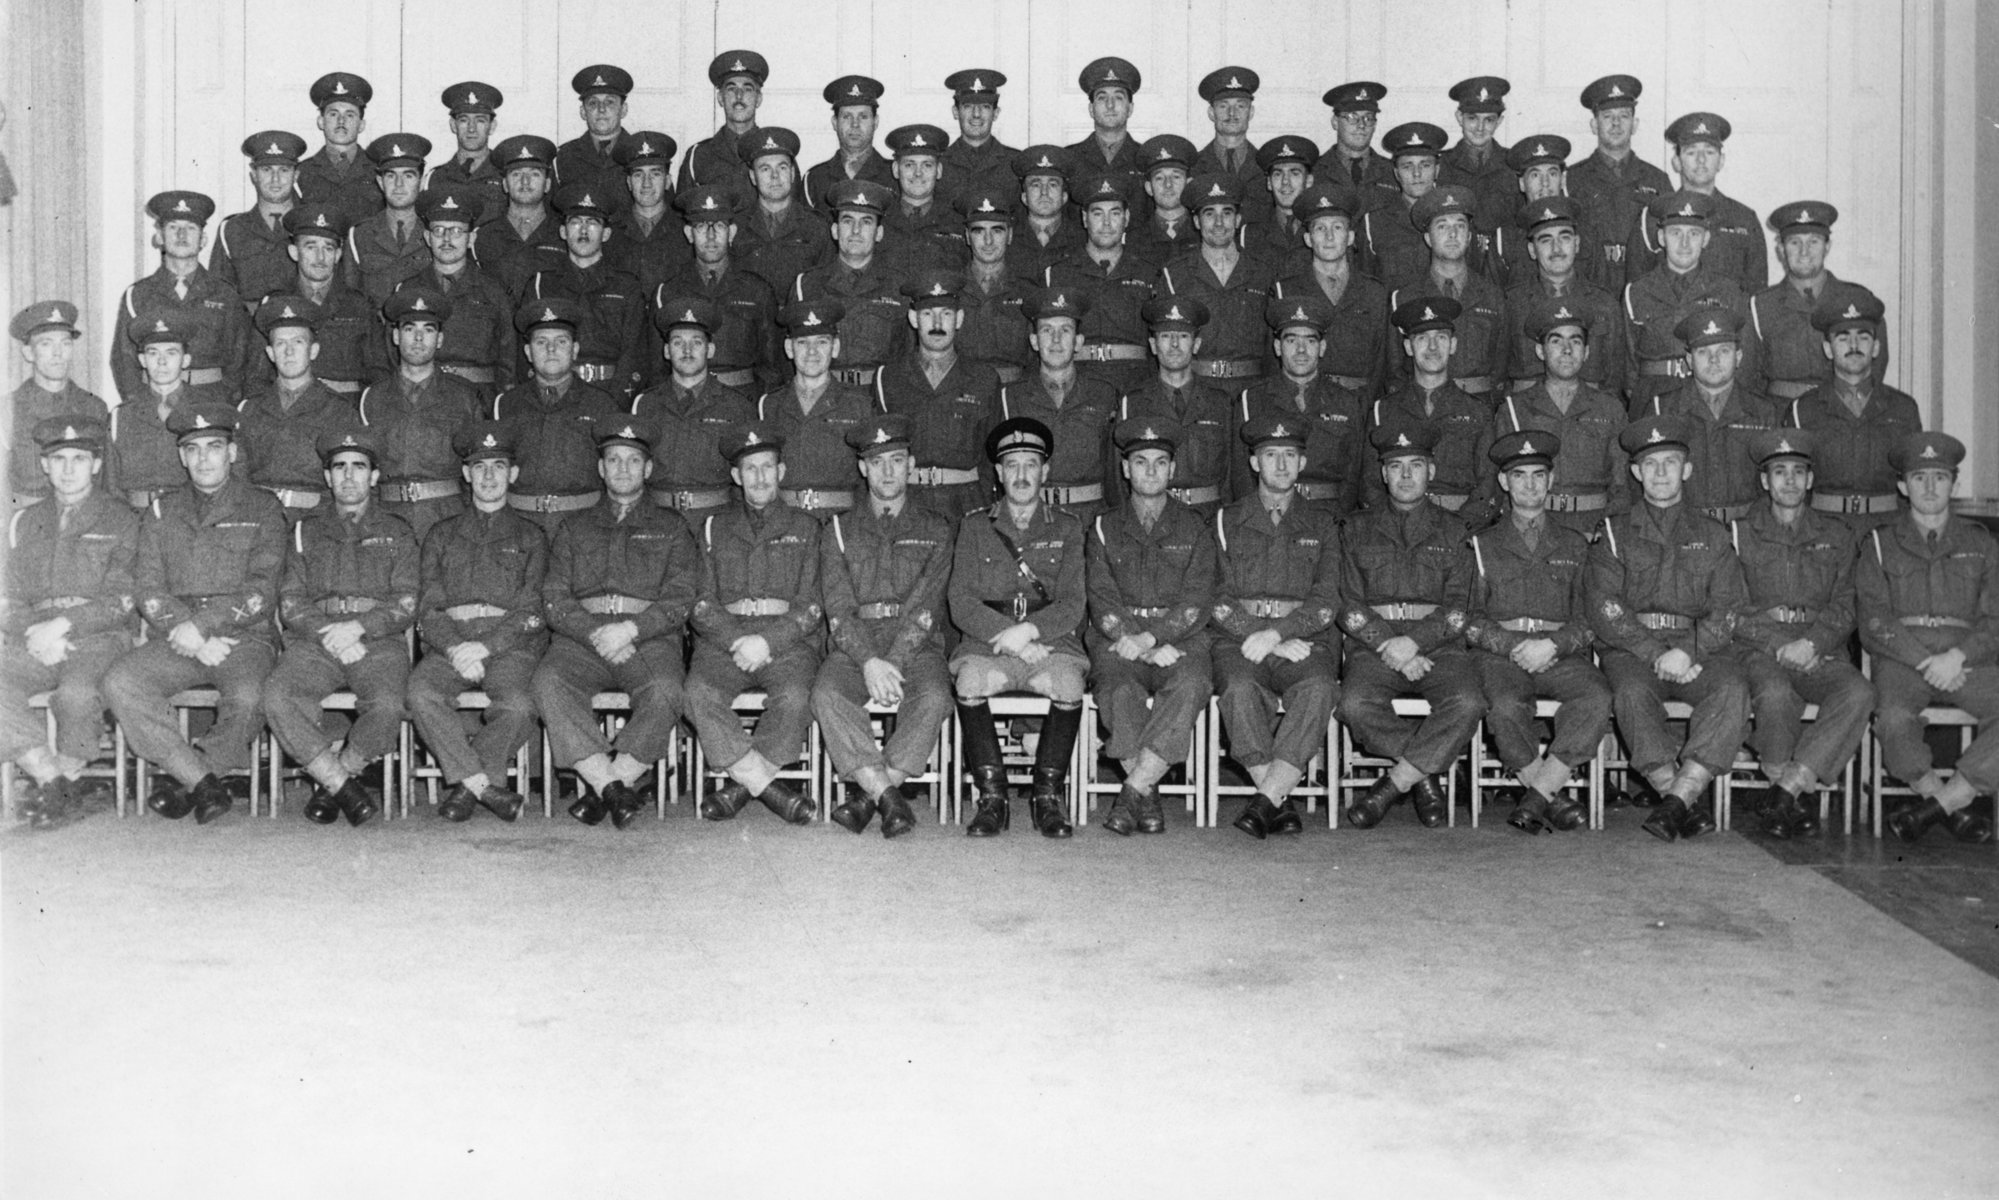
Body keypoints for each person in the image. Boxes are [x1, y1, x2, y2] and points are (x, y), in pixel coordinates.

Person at [103, 403, 288, 825]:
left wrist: (201, 628)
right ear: (182, 456)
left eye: (215, 447)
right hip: (177, 636)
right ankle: (201, 781)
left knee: (248, 696)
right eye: (194, 449)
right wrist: (188, 632)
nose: (204, 458)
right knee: (121, 682)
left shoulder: (262, 507)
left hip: (244, 637)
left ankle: (194, 776)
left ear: (233, 453)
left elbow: (262, 589)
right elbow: (146, 588)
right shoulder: (161, 511)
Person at [1585, 414, 1752, 841]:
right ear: (1636, 472)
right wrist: (1657, 654)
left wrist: (1690, 651)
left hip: (1699, 651)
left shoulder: (1714, 535)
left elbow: (1730, 606)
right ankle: (1678, 797)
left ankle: (1677, 800)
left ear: (1687, 470)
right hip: (1635, 652)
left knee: (1732, 689)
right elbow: (1605, 607)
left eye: (1671, 462)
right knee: (1630, 693)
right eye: (1651, 464)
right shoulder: (1613, 532)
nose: (1661, 473)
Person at [534, 418, 703, 830]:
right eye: (614, 460)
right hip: (583, 639)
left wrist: (631, 630)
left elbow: (681, 597)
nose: (623, 469)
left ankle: (604, 786)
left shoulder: (672, 527)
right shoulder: (574, 527)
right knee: (548, 682)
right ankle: (613, 787)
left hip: (646, 639)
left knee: (666, 691)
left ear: (647, 469)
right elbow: (554, 598)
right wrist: (596, 632)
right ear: (601, 468)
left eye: (633, 461)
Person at [1336, 418, 1486, 828]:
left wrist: (1414, 643)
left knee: (1469, 701)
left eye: (1415, 466)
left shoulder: (1455, 531)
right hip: (1374, 649)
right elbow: (1347, 604)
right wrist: (1391, 645)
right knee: (1353, 704)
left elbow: (1459, 609)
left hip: (1439, 649)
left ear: (1431, 472)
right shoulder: (1355, 529)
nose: (1405, 476)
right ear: (1383, 473)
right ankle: (1427, 776)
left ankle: (1394, 785)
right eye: (1396, 466)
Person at [262, 429, 417, 827]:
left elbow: (406, 601)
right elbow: (291, 600)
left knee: (388, 704)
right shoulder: (303, 530)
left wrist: (359, 628)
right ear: (327, 477)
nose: (349, 476)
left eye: (359, 467)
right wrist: (331, 632)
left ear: (375, 476)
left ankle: (335, 779)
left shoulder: (399, 531)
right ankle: (343, 786)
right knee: (278, 696)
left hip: (377, 642)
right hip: (317, 640)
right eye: (339, 467)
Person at [814, 415, 956, 837]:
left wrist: (891, 659)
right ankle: (890, 798)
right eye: (878, 463)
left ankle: (869, 796)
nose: (888, 471)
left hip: (916, 645)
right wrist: (869, 661)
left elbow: (927, 607)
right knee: (826, 694)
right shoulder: (837, 530)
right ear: (863, 468)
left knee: (933, 696)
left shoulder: (936, 528)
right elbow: (838, 608)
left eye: (897, 460)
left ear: (910, 464)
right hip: (855, 644)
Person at [949, 417, 1090, 839]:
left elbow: (1073, 603)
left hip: (1049, 646)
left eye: (1031, 464)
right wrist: (1007, 636)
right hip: (988, 644)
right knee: (970, 680)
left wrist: (1027, 632)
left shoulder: (1067, 527)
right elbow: (960, 601)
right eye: (1012, 465)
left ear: (1045, 472)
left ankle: (1047, 797)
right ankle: (993, 798)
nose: (1022, 475)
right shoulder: (975, 526)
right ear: (998, 472)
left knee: (1068, 685)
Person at [1464, 430, 1609, 835]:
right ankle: (1550, 797)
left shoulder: (1577, 544)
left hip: (1558, 653)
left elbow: (1590, 619)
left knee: (1596, 696)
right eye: (1520, 475)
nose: (1530, 484)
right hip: (1501, 655)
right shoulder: (1481, 544)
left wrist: (1554, 645)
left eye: (1538, 475)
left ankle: (1538, 795)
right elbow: (1470, 619)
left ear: (1551, 480)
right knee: (1506, 706)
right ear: (1504, 483)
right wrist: (1513, 646)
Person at [1728, 430, 1871, 838]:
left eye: (1798, 472)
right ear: (1764, 481)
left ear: (1810, 480)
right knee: (1775, 696)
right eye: (1779, 472)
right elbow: (1730, 608)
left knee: (1859, 692)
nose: (1789, 481)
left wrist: (1813, 643)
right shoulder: (1738, 534)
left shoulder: (1838, 534)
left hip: (1819, 650)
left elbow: (1848, 602)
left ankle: (1785, 789)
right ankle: (1789, 792)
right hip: (1760, 650)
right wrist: (1778, 644)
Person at [1857, 432, 1999, 844]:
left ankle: (1946, 801)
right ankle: (1942, 804)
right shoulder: (1880, 544)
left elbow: (1995, 618)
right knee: (1894, 720)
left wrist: (1957, 655)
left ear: (1954, 482)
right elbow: (1874, 620)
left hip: (1967, 660)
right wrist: (1925, 661)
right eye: (1920, 478)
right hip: (1905, 661)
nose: (1931, 487)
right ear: (1903, 486)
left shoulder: (1982, 543)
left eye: (1940, 477)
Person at [1, 418, 138, 828]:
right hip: (36, 638)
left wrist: (62, 626)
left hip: (98, 637)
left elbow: (123, 597)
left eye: (79, 459)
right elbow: (10, 596)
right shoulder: (24, 521)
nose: (67, 469)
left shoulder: (122, 518)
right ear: (44, 465)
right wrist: (34, 631)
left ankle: (62, 780)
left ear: (96, 465)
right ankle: (53, 779)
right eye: (58, 459)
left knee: (76, 694)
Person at [685, 424, 825, 826]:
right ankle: (768, 788)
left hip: (785, 644)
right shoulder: (713, 527)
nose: (760, 477)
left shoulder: (807, 528)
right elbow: (701, 602)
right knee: (696, 692)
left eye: (767, 467)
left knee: (797, 696)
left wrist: (767, 641)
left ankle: (740, 788)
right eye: (750, 469)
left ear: (781, 473)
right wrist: (736, 639)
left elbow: (813, 605)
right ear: (736, 477)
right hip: (724, 641)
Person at [1085, 418, 1219, 834]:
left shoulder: (1195, 526)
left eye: (1160, 463)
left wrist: (1155, 637)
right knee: (1118, 688)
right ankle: (1148, 792)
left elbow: (1197, 599)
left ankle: (1133, 790)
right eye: (1140, 462)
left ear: (1172, 470)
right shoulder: (1104, 527)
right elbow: (1101, 597)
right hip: (1118, 639)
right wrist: (1138, 643)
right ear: (1126, 469)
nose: (1150, 471)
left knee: (1193, 683)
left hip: (1178, 640)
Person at [1211, 414, 1341, 838]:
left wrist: (1279, 635)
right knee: (1238, 688)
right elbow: (1214, 596)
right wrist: (1259, 635)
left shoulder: (1323, 524)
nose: (1281, 466)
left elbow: (1327, 599)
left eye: (1290, 456)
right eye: (1271, 456)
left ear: (1303, 464)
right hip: (1240, 641)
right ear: (1254, 463)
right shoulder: (1224, 521)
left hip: (1303, 641)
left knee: (1320, 687)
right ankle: (1276, 797)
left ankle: (1265, 800)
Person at [407, 422, 544, 823]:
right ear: (466, 474)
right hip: (452, 644)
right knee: (421, 692)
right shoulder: (441, 534)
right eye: (479, 467)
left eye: (498, 467)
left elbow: (532, 608)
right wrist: (455, 647)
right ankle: (484, 787)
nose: (488, 476)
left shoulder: (532, 535)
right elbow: (429, 608)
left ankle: (468, 788)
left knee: (519, 705)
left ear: (513, 474)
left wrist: (486, 647)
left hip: (507, 648)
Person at [1489, 296, 1631, 536]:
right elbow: (1499, 484)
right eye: (1556, 341)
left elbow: (1621, 486)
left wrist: (1607, 531)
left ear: (1586, 352)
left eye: (1575, 342)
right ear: (1540, 351)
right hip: (1535, 527)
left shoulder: (1610, 409)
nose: (1566, 350)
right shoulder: (1514, 410)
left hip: (1594, 528)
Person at [1785, 293, 1921, 528]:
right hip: (1825, 531)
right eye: (1843, 338)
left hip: (1887, 530)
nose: (1854, 346)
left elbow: (1914, 480)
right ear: (1828, 349)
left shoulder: (1903, 408)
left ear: (1876, 347)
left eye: (1863, 337)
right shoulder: (1802, 410)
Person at [874, 270, 1001, 521]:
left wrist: (987, 505)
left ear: (959, 319)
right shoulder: (888, 378)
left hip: (967, 503)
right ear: (913, 318)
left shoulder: (984, 380)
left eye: (946, 314)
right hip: (908, 501)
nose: (936, 324)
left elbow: (992, 455)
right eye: (927, 314)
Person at [490, 298, 625, 534]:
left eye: (560, 341)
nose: (551, 349)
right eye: (541, 342)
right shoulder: (506, 405)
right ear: (528, 352)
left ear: (575, 349)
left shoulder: (602, 405)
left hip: (583, 526)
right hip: (520, 526)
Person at [361, 286, 486, 539]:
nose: (418, 339)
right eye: (410, 329)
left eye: (428, 330)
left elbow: (477, 469)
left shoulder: (463, 398)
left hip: (447, 518)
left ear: (439, 339)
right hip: (388, 517)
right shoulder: (372, 398)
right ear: (396, 336)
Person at [111, 190, 253, 406]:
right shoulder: (138, 295)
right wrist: (142, 407)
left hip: (210, 401)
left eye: (190, 228)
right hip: (156, 401)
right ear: (159, 236)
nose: (181, 235)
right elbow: (124, 361)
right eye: (173, 227)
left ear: (203, 239)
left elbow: (239, 359)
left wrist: (224, 404)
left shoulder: (225, 295)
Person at [1365, 297, 1496, 526]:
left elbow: (1488, 486)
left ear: (1453, 345)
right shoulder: (1382, 411)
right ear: (1408, 347)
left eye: (1441, 338)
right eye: (1423, 338)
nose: (1433, 347)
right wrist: (1392, 528)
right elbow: (1370, 485)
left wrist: (1460, 530)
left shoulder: (1478, 412)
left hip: (1459, 526)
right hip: (1398, 527)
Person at [235, 293, 364, 521]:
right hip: (258, 520)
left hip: (315, 521)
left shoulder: (339, 412)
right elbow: (237, 476)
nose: (289, 351)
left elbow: (348, 482)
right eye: (280, 343)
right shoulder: (249, 410)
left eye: (297, 342)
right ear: (270, 353)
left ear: (313, 351)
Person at [629, 296, 759, 522]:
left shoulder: (737, 407)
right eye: (678, 342)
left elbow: (747, 477)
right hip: (657, 519)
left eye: (696, 342)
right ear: (667, 351)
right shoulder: (645, 405)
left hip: (716, 520)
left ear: (710, 350)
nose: (687, 350)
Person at [1741, 202, 1889, 399]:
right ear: (1781, 249)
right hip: (1781, 415)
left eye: (1813, 242)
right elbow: (1748, 377)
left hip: (1842, 411)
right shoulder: (1761, 306)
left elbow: (1875, 367)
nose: (1804, 252)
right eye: (1794, 242)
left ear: (1827, 246)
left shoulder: (1858, 300)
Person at [1622, 191, 1753, 410]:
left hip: (1708, 397)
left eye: (1693, 234)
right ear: (1661, 238)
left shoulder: (1729, 292)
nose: (1684, 243)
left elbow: (1743, 362)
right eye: (1675, 233)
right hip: (1652, 397)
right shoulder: (1636, 292)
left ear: (1706, 239)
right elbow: (1628, 368)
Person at [997, 286, 1119, 521]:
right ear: (1034, 341)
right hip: (1032, 517)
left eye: (1065, 330)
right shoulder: (1011, 398)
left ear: (1078, 341)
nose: (1055, 340)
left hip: (1089, 517)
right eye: (1046, 330)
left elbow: (1114, 471)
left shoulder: (1103, 395)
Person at [1642, 308, 1777, 522]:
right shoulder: (1662, 409)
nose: (1713, 360)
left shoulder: (1764, 413)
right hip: (1683, 530)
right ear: (1688, 359)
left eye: (1723, 351)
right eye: (1703, 352)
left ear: (1739, 356)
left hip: (1747, 530)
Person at [1237, 294, 1364, 515]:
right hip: (1271, 514)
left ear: (1322, 347)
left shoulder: (1346, 403)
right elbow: (1241, 474)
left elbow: (1353, 477)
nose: (1301, 350)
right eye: (1292, 340)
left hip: (1329, 514)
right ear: (1277, 347)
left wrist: (1339, 521)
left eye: (1310, 341)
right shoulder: (1252, 400)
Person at [653, 183, 782, 395]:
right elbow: (657, 369)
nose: (711, 236)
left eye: (719, 226)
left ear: (731, 232)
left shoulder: (757, 291)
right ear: (689, 233)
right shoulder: (668, 293)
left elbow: (771, 366)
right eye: (702, 227)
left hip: (742, 398)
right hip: (685, 401)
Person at [757, 298, 876, 519]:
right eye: (802, 342)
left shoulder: (860, 405)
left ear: (835, 347)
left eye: (822, 342)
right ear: (789, 349)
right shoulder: (769, 405)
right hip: (785, 520)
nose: (812, 352)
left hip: (841, 520)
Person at [1272, 183, 1391, 403]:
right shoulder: (1286, 291)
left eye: (1337, 228)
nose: (1329, 237)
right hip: (1304, 401)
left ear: (1351, 237)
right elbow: (1275, 361)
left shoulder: (1374, 292)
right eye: (1320, 228)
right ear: (1308, 239)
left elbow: (1382, 361)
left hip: (1360, 402)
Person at [527, 184, 646, 401]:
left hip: (610, 392)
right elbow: (528, 349)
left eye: (592, 223)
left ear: (606, 233)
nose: (583, 231)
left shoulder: (627, 287)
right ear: (563, 232)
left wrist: (615, 402)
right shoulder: (540, 284)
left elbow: (634, 352)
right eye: (575, 222)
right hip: (554, 394)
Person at [1159, 175, 1281, 387]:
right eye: (1209, 214)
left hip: (1251, 387)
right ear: (1197, 222)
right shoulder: (1175, 274)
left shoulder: (1263, 272)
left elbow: (1274, 342)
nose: (1218, 223)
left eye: (1226, 213)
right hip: (1197, 388)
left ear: (1237, 219)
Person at [1388, 184, 1508, 398]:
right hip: (1425, 408)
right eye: (1442, 226)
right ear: (1427, 238)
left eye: (1460, 226)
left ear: (1470, 236)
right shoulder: (1405, 298)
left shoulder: (1493, 295)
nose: (1453, 234)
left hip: (1480, 407)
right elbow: (1395, 371)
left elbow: (1501, 369)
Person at [395, 188, 517, 398]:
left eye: (457, 231)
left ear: (471, 238)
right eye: (439, 230)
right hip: (422, 396)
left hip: (479, 397)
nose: (447, 239)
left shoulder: (494, 292)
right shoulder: (408, 290)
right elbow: (393, 356)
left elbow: (508, 360)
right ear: (427, 237)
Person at [1624, 113, 1766, 293]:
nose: (1701, 159)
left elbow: (1756, 295)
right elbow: (1636, 292)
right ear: (1676, 162)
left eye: (1709, 152)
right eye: (1691, 152)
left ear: (1721, 161)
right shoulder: (1651, 218)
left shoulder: (1744, 219)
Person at [1047, 173, 1159, 396]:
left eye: (1115, 213)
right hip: (1078, 382)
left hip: (1135, 383)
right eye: (1098, 214)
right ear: (1084, 219)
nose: (1107, 223)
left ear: (1126, 218)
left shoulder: (1149, 273)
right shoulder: (1058, 274)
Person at [1501, 196, 1625, 393]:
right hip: (1528, 417)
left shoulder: (1605, 305)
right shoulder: (1511, 304)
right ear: (1532, 250)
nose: (1556, 249)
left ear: (1577, 244)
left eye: (1564, 238)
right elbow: (1500, 378)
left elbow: (1615, 380)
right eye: (1546, 240)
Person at [1124, 295, 1235, 515]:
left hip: (1208, 516)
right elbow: (1120, 479)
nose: (1174, 345)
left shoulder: (1219, 403)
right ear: (1153, 346)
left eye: (1183, 336)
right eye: (1166, 336)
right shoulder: (1133, 403)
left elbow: (1232, 474)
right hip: (1153, 515)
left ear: (1196, 344)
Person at [792, 179, 908, 388]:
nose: (855, 231)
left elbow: (908, 355)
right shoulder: (807, 285)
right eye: (847, 221)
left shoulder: (899, 287)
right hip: (825, 396)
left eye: (866, 222)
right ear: (835, 230)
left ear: (879, 233)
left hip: (879, 396)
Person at [105, 316, 230, 508]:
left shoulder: (212, 410)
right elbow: (110, 484)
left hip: (191, 517)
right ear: (142, 360)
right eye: (153, 353)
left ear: (186, 360)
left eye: (171, 353)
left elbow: (232, 475)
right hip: (134, 517)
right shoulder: (121, 416)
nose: (162, 362)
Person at [1566, 74, 1671, 294]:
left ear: (1635, 124)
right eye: (1607, 116)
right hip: (1588, 292)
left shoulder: (1657, 180)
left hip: (1644, 292)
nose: (1616, 124)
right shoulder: (1572, 179)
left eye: (1624, 116)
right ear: (1594, 124)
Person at [269, 202, 383, 397]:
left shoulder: (359, 306)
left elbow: (380, 373)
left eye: (328, 248)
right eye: (311, 247)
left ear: (338, 254)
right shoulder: (275, 305)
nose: (320, 257)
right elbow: (257, 377)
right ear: (294, 252)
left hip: (346, 409)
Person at [9, 302, 109, 509]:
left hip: (83, 522)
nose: (58, 353)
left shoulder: (94, 408)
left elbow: (104, 478)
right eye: (46, 344)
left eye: (65, 343)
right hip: (25, 522)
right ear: (28, 353)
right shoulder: (7, 410)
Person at [1490, 135, 1607, 293]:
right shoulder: (1503, 240)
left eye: (1552, 174)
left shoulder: (1586, 234)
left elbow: (1601, 296)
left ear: (1563, 179)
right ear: (1522, 183)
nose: (1545, 183)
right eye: (1535, 175)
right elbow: (1496, 301)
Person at [211, 131, 308, 308]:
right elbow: (218, 298)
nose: (275, 179)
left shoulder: (313, 225)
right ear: (254, 175)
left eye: (284, 170)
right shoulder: (232, 230)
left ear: (296, 175)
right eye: (266, 170)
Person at [731, 127, 830, 298]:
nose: (775, 176)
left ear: (792, 173)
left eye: (782, 167)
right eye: (765, 169)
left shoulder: (817, 227)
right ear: (753, 177)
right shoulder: (735, 227)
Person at [952, 187, 1038, 385]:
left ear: (1009, 235)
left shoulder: (1028, 292)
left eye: (997, 230)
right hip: (959, 391)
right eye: (978, 231)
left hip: (1013, 393)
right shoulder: (951, 290)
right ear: (966, 236)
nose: (988, 241)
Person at [606, 131, 691, 320]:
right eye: (638, 175)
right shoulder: (609, 231)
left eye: (655, 174)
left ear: (668, 181)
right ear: (628, 182)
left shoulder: (686, 231)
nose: (646, 183)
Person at [473, 134, 568, 301]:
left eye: (534, 174)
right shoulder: (481, 237)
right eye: (516, 174)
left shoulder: (565, 236)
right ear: (504, 184)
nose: (525, 181)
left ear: (547, 184)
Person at [1357, 121, 1448, 292]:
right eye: (1408, 166)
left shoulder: (1455, 218)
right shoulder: (1374, 223)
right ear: (1396, 173)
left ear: (1437, 170)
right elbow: (1366, 288)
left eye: (1425, 165)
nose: (1416, 174)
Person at [344, 133, 433, 307]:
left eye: (408, 176)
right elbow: (351, 298)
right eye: (391, 176)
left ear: (421, 181)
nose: (398, 185)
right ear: (380, 181)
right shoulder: (359, 235)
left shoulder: (436, 232)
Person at [677, 51, 769, 207]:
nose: (739, 96)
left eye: (747, 89)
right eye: (731, 89)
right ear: (720, 98)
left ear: (758, 99)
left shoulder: (776, 154)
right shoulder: (698, 155)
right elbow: (683, 213)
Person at [297, 72, 382, 229]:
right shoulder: (301, 172)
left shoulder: (380, 171)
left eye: (350, 115)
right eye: (333, 114)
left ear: (361, 125)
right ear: (321, 122)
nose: (341, 121)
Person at [1438, 76, 1516, 244]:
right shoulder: (1441, 164)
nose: (1480, 128)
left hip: (1505, 258)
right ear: (1460, 117)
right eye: (1472, 118)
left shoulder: (1514, 163)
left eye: (1488, 120)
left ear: (1499, 121)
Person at [880, 123, 961, 275]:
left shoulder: (958, 223)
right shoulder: (878, 221)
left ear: (939, 171)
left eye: (927, 165)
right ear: (896, 170)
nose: (918, 173)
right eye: (909, 165)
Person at [806, 74, 894, 215]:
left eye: (863, 116)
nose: (855, 124)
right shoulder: (814, 179)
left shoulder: (895, 175)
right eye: (847, 116)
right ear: (835, 122)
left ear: (875, 122)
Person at [1191, 67, 1269, 225]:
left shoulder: (1268, 166)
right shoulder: (1194, 166)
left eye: (1240, 106)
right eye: (1223, 106)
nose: (1232, 113)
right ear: (1211, 113)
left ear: (1251, 112)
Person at [1311, 81, 1398, 216]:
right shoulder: (1314, 170)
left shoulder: (1393, 172)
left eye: (1368, 118)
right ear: (1335, 122)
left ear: (1375, 124)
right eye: (1352, 117)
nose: (1361, 125)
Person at [554, 64, 638, 201]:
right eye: (593, 103)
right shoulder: (566, 155)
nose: (601, 109)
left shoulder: (639, 152)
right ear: (583, 112)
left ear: (623, 110)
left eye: (610, 102)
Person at [1068, 57, 1146, 202]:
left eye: (1118, 97)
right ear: (1091, 109)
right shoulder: (1069, 159)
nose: (1110, 105)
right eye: (1102, 98)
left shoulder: (1146, 160)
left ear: (1130, 108)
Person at [427, 82, 507, 223]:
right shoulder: (435, 177)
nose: (471, 128)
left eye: (480, 120)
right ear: (453, 125)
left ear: (492, 126)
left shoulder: (506, 174)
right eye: (464, 120)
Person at [938, 68, 1017, 210]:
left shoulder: (1015, 163)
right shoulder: (938, 163)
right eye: (968, 106)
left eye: (985, 107)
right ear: (956, 112)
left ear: (996, 113)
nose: (976, 114)